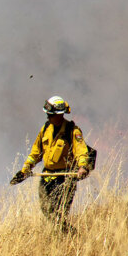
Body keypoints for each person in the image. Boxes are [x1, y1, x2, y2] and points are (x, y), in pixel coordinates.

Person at [10, 96, 92, 232]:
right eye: (47, 114)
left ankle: (65, 237)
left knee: (59, 213)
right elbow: (36, 152)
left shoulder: (72, 131)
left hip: (65, 177)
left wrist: (83, 167)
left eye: (50, 115)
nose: (48, 117)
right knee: (47, 210)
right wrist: (25, 170)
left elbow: (81, 151)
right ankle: (68, 233)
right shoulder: (46, 129)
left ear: (59, 115)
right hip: (47, 176)